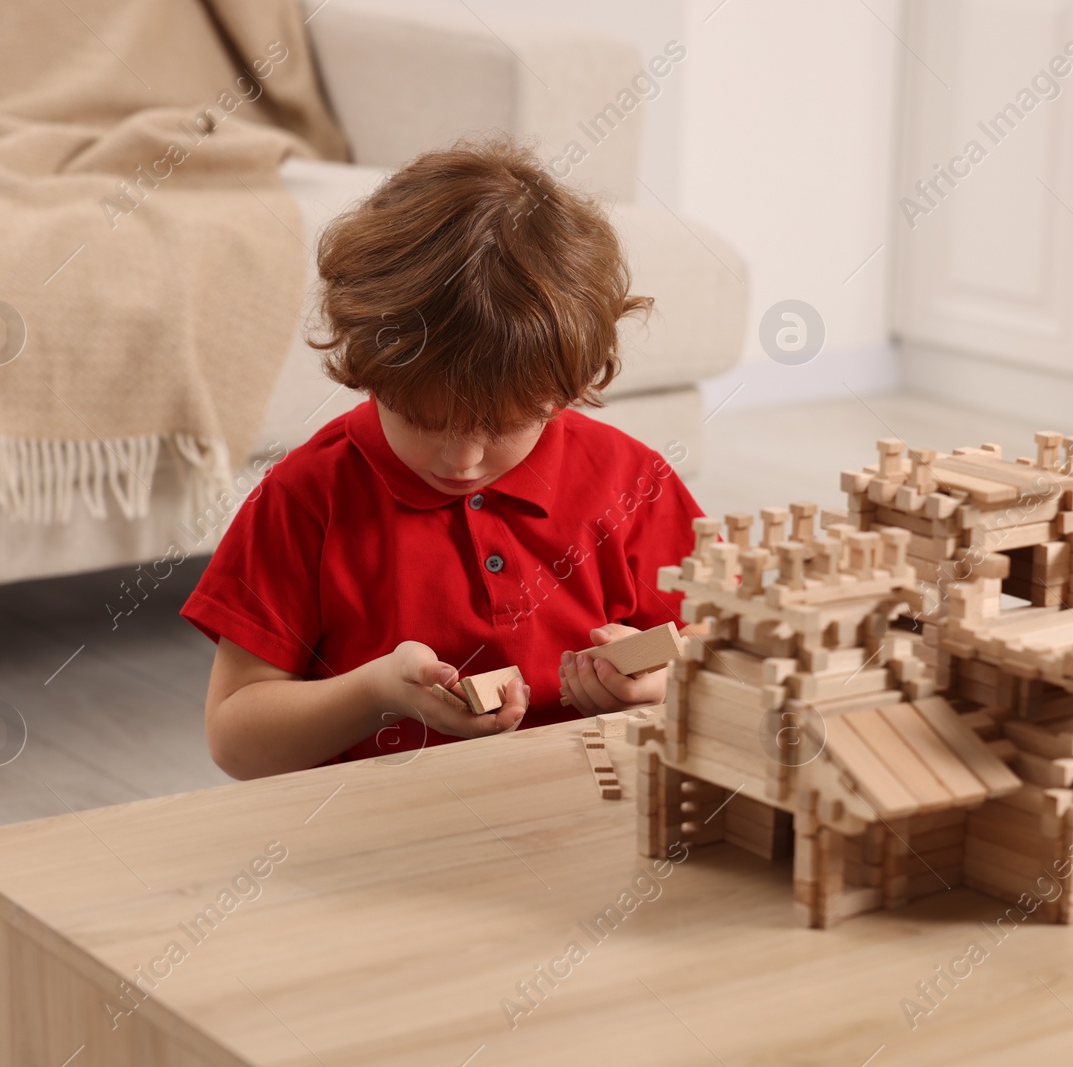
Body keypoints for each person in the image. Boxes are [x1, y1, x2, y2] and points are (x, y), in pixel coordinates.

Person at [181, 138, 704, 779]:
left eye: (507, 425)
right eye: (426, 422)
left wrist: (661, 682)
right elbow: (235, 741)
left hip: (586, 811)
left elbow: (726, 649)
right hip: (385, 829)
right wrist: (373, 693)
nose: (463, 460)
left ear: (567, 391)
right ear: (369, 373)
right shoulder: (304, 497)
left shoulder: (632, 483)